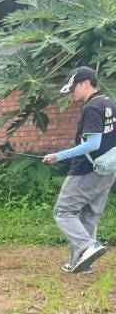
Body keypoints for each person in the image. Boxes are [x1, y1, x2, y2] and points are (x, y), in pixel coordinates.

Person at [43, 65, 116, 273]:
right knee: (89, 215)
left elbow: (92, 144)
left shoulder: (92, 108)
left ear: (86, 83)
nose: (72, 92)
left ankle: (88, 246)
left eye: (73, 87)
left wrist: (59, 156)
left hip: (86, 170)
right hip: (108, 168)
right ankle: (82, 263)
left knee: (64, 211)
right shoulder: (109, 103)